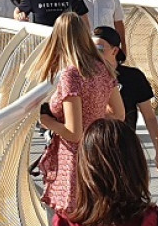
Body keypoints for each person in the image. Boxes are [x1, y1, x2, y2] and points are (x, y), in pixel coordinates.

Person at [34, 12, 122, 215]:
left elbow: (74, 133)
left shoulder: (72, 74)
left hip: (73, 159)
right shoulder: (103, 67)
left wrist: (46, 120)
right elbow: (118, 113)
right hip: (97, 151)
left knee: (72, 219)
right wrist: (95, 117)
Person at [93, 25, 158, 179]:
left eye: (100, 49)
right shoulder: (84, 77)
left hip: (124, 147)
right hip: (94, 146)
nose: (94, 54)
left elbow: (149, 117)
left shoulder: (133, 77)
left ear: (115, 51)